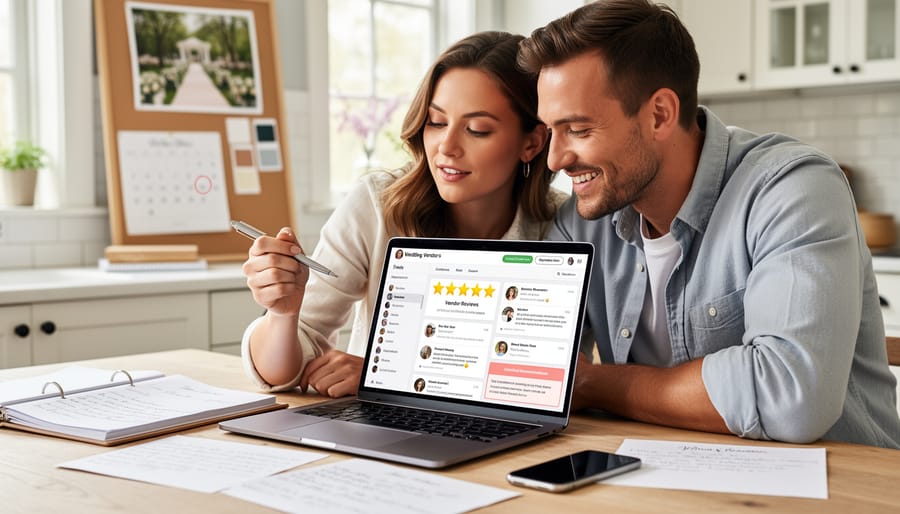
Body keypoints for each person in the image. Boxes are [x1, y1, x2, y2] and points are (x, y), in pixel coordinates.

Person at [518, 0, 900, 448]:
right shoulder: (584, 221)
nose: (556, 159)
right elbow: (532, 367)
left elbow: (792, 399)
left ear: (660, 114)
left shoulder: (791, 188)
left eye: (579, 130)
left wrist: (596, 384)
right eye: (551, 131)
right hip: (662, 471)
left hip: (839, 478)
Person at [240, 31, 568, 399]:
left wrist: (388, 375)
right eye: (437, 122)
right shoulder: (377, 204)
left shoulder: (565, 225)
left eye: (477, 130)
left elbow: (542, 378)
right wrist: (283, 315)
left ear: (532, 143)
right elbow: (280, 372)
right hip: (377, 425)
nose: (446, 147)